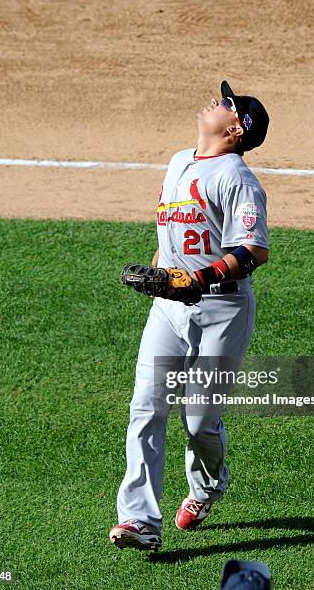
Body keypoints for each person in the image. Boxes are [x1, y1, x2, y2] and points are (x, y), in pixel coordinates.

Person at [109, 80, 270, 551]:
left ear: (237, 127)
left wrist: (198, 281)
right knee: (146, 407)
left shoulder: (237, 178)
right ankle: (140, 521)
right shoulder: (180, 160)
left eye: (226, 104)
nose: (216, 102)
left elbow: (255, 248)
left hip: (222, 310)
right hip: (168, 310)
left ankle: (208, 486)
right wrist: (161, 276)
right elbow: (173, 230)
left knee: (199, 421)